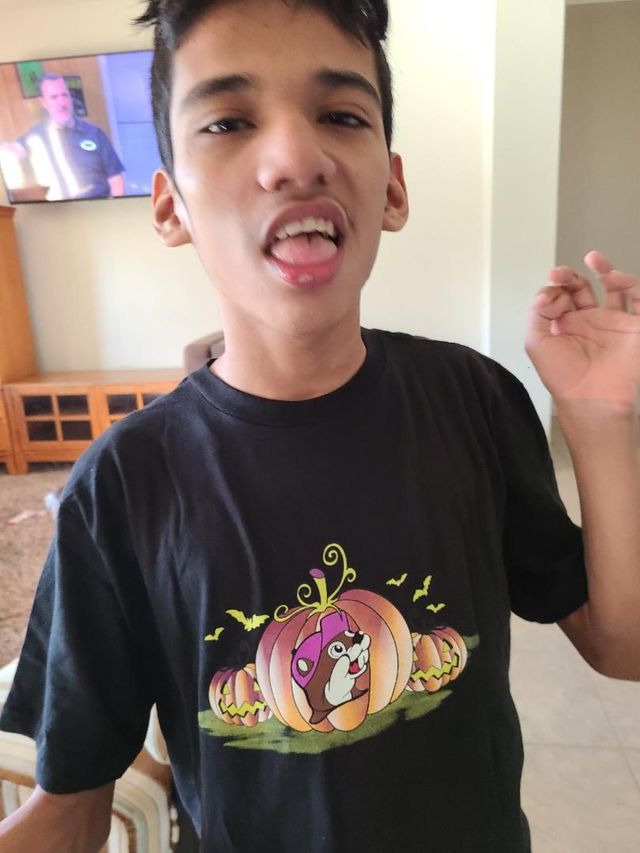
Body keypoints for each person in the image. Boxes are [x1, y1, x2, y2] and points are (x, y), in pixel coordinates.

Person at [1, 1, 639, 851]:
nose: (296, 158)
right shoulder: (122, 486)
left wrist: (600, 416)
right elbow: (70, 809)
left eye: (341, 115)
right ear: (170, 208)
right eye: (228, 121)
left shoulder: (473, 400)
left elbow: (622, 645)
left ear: (393, 188)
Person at [1, 72, 125, 200]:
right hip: (61, 209)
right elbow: (13, 152)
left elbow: (115, 178)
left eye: (64, 95)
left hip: (99, 205)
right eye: (54, 97)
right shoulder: (35, 138)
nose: (62, 102)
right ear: (43, 102)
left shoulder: (95, 133)